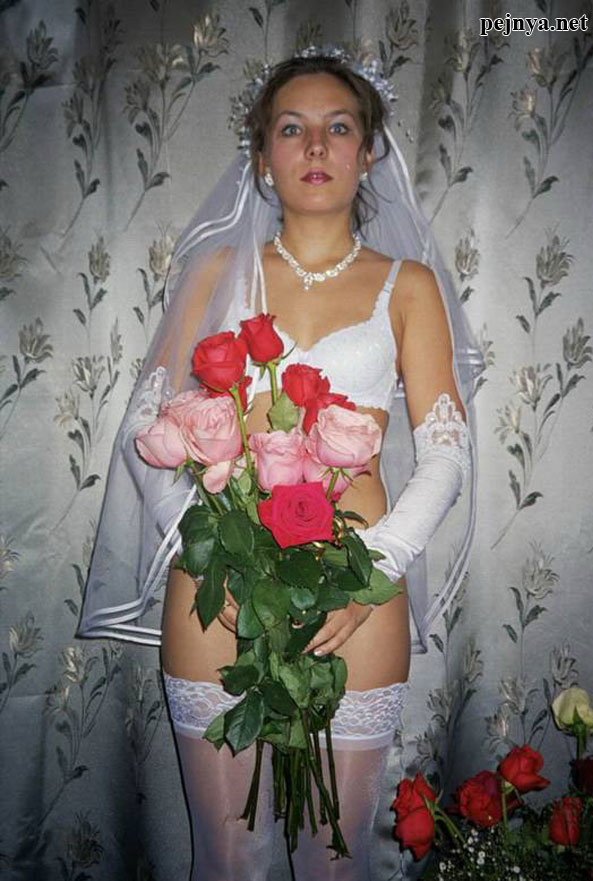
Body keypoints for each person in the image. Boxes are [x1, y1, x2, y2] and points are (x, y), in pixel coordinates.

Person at [78, 49, 484, 880]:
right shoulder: (215, 272)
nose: (316, 146)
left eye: (339, 127)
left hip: (356, 588)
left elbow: (446, 449)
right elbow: (145, 426)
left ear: (368, 150)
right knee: (228, 856)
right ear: (262, 156)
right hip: (220, 586)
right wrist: (206, 550)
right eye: (292, 129)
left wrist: (377, 568)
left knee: (335, 857)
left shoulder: (408, 286)